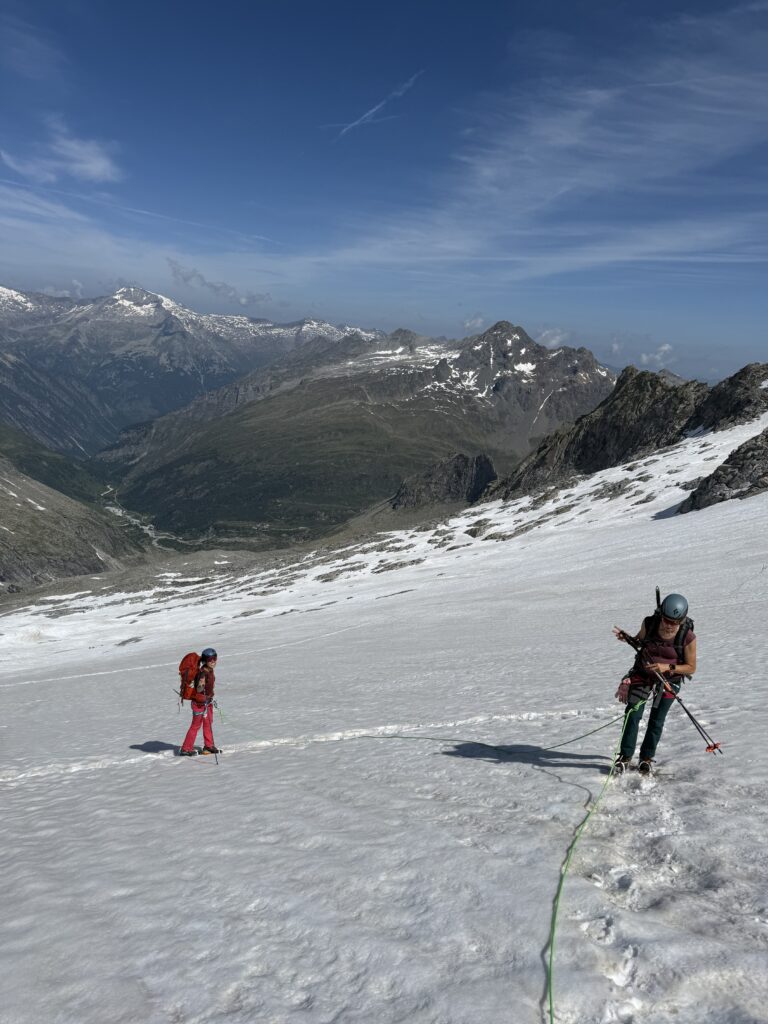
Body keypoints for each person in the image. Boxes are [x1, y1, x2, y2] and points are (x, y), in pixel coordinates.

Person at [612, 593, 697, 774]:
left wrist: (667, 667)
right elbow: (639, 642)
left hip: (669, 681)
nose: (669, 625)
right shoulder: (650, 624)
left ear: (682, 620)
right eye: (666, 620)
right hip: (642, 674)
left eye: (675, 622)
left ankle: (646, 758)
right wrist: (626, 638)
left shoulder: (687, 636)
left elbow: (690, 667)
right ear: (661, 614)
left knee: (656, 720)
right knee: (632, 714)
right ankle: (625, 757)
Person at [179, 648, 221, 756]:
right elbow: (199, 689)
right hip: (199, 704)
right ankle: (186, 748)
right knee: (195, 725)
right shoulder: (202, 673)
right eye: (210, 659)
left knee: (208, 724)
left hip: (207, 703)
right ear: (205, 660)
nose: (213, 661)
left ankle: (208, 746)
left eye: (215, 658)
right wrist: (201, 685)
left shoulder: (210, 671)